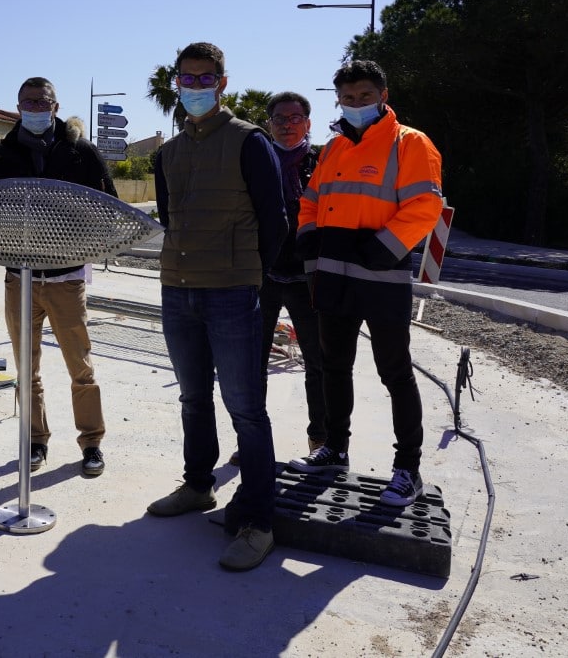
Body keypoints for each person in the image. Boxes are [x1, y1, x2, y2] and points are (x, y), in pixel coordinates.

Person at [145, 42, 286, 572]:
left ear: (222, 83)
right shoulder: (169, 153)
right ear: (176, 84)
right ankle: (198, 486)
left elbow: (275, 222)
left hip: (231, 292)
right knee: (192, 398)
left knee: (246, 409)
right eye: (188, 78)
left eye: (206, 79)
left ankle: (258, 520)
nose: (196, 87)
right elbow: (170, 216)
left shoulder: (249, 142)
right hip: (177, 289)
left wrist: (249, 277)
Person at [288, 60, 444, 508]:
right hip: (334, 273)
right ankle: (335, 451)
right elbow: (311, 199)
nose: (356, 104)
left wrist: (386, 247)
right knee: (334, 366)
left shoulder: (410, 143)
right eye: (348, 98)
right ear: (338, 99)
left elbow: (424, 206)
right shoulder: (335, 147)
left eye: (364, 97)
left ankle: (407, 470)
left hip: (381, 276)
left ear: (383, 97)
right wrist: (306, 233)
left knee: (395, 372)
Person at [0, 77, 115, 477]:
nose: (36, 108)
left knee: (81, 366)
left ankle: (91, 443)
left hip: (65, 278)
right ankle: (36, 440)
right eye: (29, 102)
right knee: (27, 368)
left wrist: (81, 242)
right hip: (18, 278)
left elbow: (108, 207)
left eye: (43, 101)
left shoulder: (80, 151)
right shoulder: (3, 153)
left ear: (56, 105)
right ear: (18, 105)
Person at [256, 91, 326, 455]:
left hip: (308, 279)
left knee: (318, 363)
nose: (287, 125)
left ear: (308, 123)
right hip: (263, 277)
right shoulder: (255, 160)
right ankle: (254, 441)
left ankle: (320, 441)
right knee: (253, 365)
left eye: (294, 118)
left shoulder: (324, 161)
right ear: (269, 124)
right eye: (280, 119)